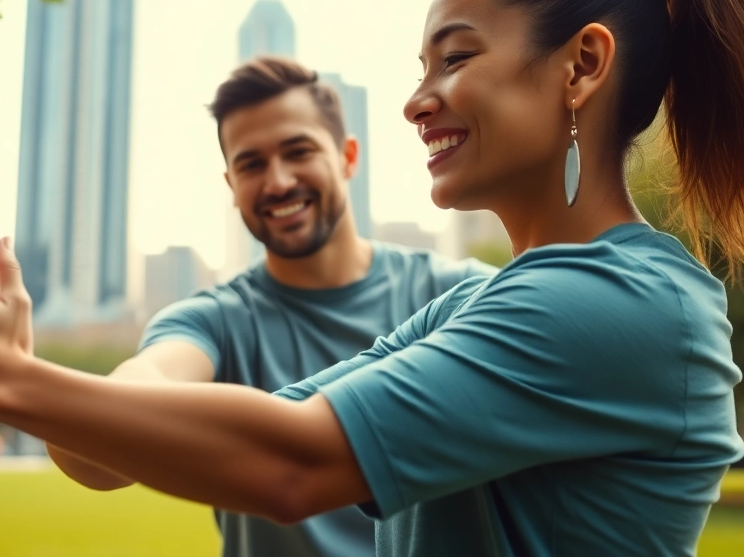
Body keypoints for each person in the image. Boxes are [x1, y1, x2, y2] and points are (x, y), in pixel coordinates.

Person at [0, 0, 744, 557]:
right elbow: (268, 422)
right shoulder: (491, 302)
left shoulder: (615, 306)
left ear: (582, 67)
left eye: (453, 58)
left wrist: (10, 380)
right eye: (247, 163)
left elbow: (294, 464)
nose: (417, 101)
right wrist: (45, 392)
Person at [45, 56, 493, 557]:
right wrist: (10, 378)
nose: (278, 181)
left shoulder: (460, 294)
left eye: (297, 151)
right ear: (231, 187)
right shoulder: (210, 321)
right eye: (251, 164)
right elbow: (97, 450)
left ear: (347, 157)